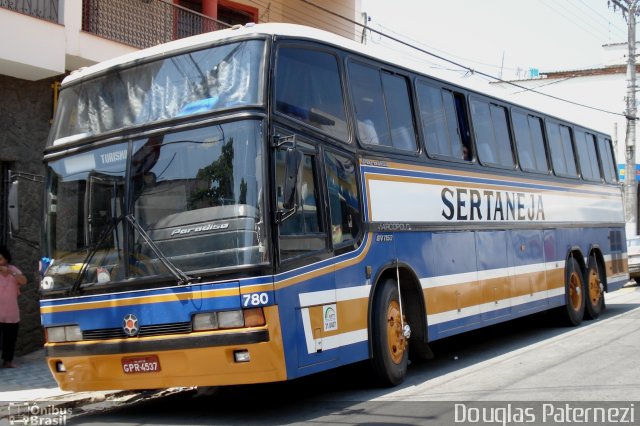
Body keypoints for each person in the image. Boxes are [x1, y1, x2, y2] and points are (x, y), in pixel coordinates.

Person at [0, 246, 27, 368]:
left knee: (10, 339)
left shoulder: (13, 270)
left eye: (0, 259)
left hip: (11, 312)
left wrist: (10, 272)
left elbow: (24, 281)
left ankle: (8, 361)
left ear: (6, 259)